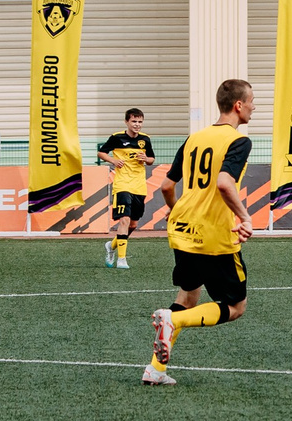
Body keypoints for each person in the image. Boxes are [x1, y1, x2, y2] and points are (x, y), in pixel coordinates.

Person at [144, 79, 256, 386]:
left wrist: (177, 210)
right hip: (213, 236)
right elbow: (224, 182)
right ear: (238, 105)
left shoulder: (194, 138)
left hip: (182, 229)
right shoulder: (238, 141)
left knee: (188, 295)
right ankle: (173, 319)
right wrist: (245, 217)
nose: (253, 107)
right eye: (251, 101)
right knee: (236, 307)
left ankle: (155, 369)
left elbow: (167, 186)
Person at [97, 107, 155, 270]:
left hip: (139, 185)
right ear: (126, 122)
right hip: (122, 184)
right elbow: (101, 153)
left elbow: (151, 159)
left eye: (140, 122)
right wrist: (112, 160)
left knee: (133, 225)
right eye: (134, 121)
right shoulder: (117, 138)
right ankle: (121, 259)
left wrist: (146, 159)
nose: (137, 125)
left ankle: (111, 246)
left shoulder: (146, 139)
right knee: (124, 219)